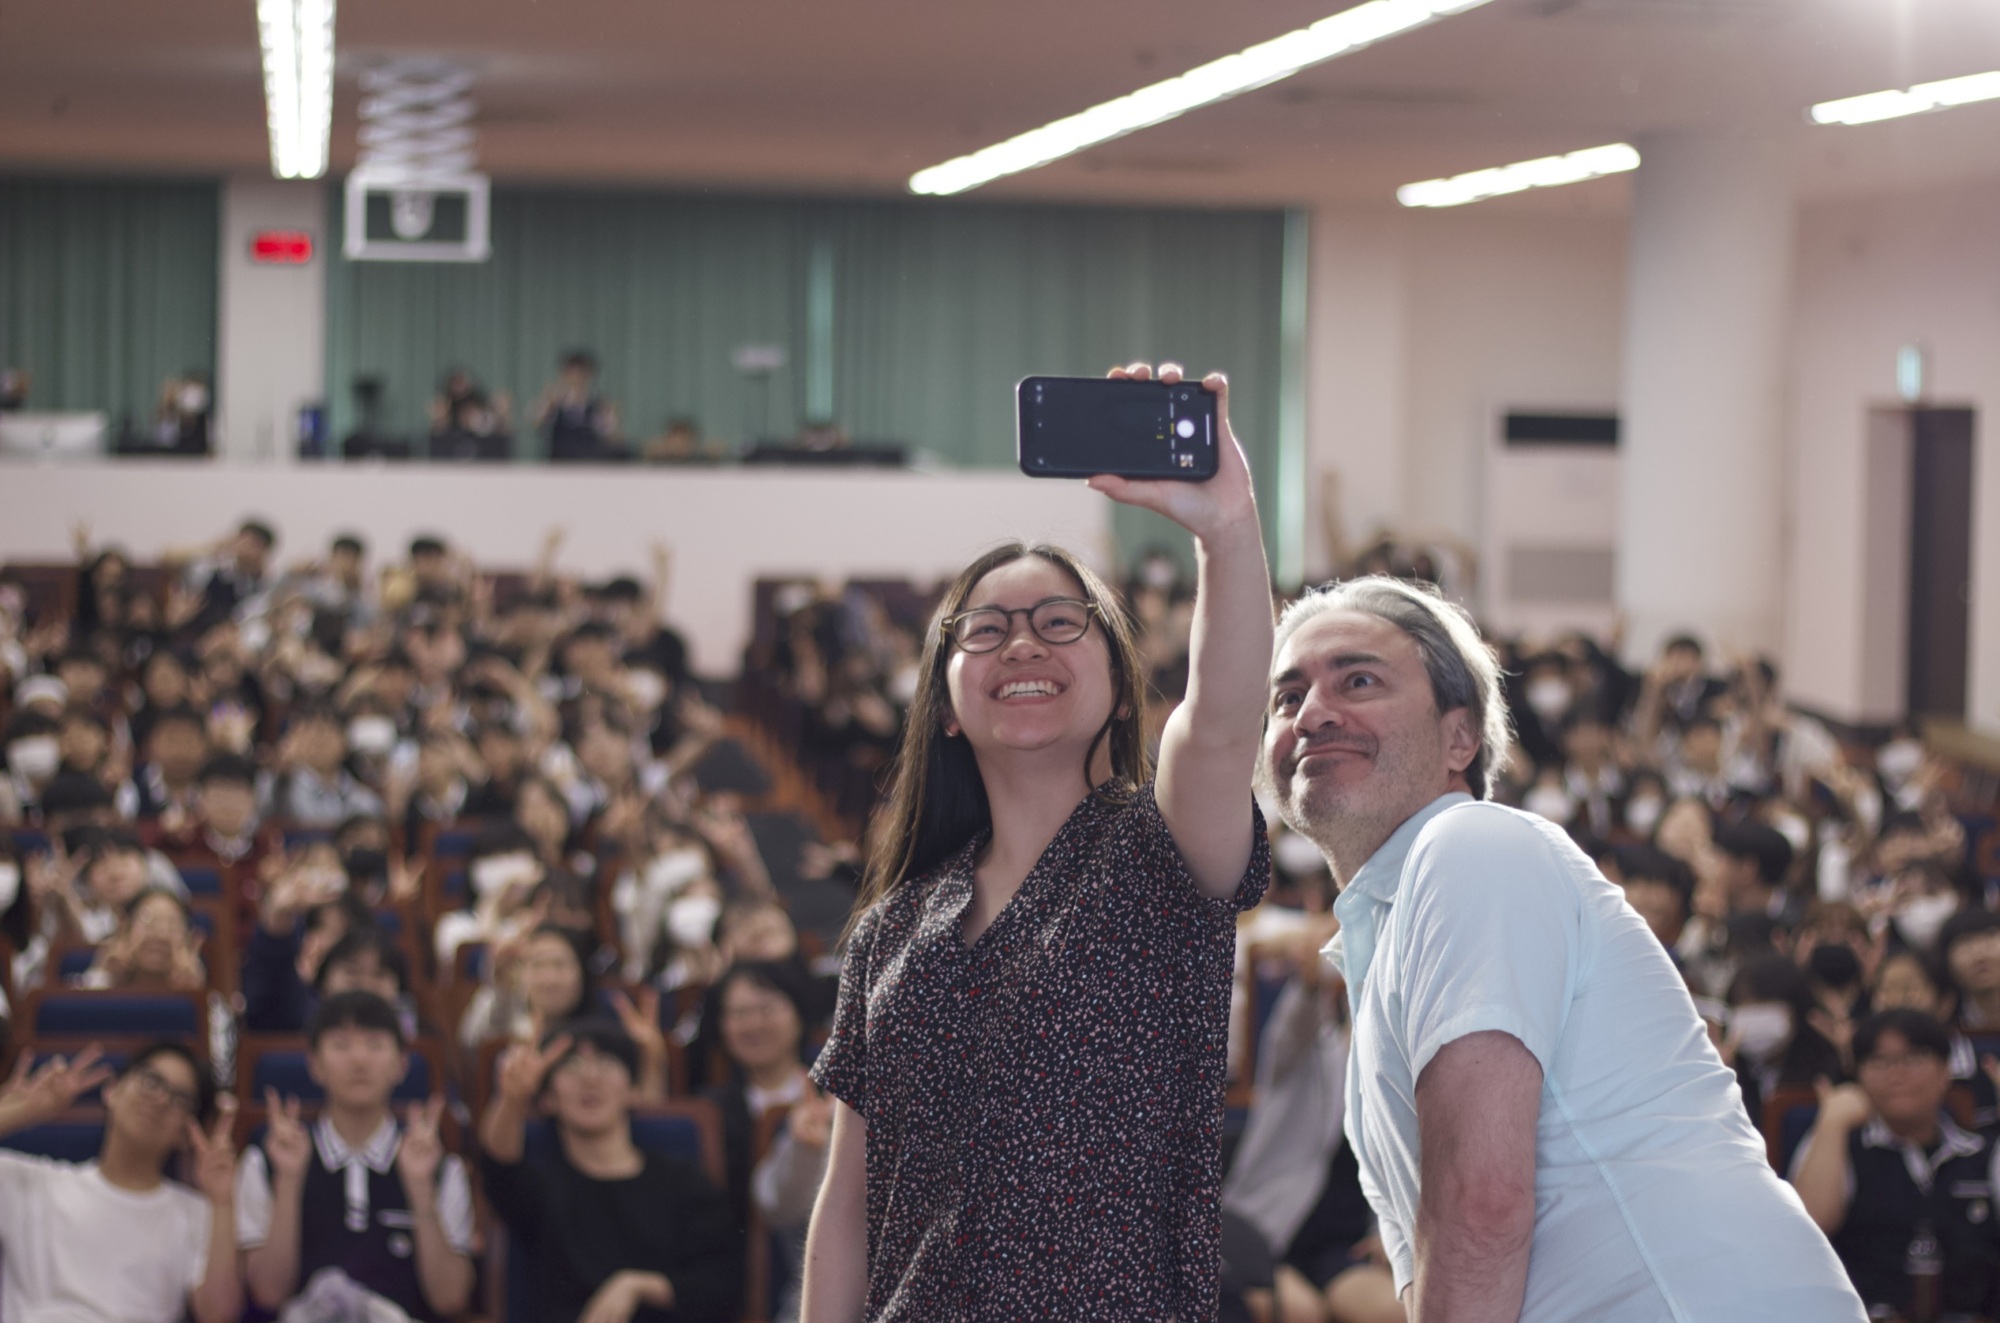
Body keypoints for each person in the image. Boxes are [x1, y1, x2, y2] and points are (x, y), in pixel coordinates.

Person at [1258, 574, 1865, 1321]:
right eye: (1287, 697)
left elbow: (1481, 1203)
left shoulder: (1470, 842)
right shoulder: (1385, 928)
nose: (1314, 713)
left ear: (1461, 735)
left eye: (1358, 679)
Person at [802, 363, 1273, 1321]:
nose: (1023, 645)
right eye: (986, 630)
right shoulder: (894, 927)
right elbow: (845, 1204)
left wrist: (1227, 529)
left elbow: (1223, 725)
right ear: (942, 702)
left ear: (1116, 672)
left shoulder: (1160, 853)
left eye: (1061, 623)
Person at [479, 1020, 742, 1323]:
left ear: (633, 1090)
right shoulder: (540, 1187)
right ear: (548, 1098)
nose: (590, 1078)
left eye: (606, 1064)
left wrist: (636, 1286)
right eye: (573, 1067)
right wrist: (512, 1099)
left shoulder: (682, 1180)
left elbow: (722, 1283)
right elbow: (498, 1166)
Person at [236, 991, 475, 1320]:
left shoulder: (440, 1166)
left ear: (401, 1065)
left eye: (376, 1045)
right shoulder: (266, 1161)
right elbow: (268, 1292)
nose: (359, 1060)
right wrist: (289, 1179)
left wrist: (419, 1188)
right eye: (341, 1045)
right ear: (316, 1066)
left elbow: (450, 1298)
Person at [0, 1043, 243, 1323]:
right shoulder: (34, 1183)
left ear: (186, 1133)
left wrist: (223, 1200)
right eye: (151, 1081)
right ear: (112, 1091)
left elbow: (220, 1314)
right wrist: (23, 1110)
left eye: (180, 1098)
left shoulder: (196, 1213)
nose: (160, 1099)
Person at [1791, 1010, 2000, 1318]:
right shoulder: (1837, 1142)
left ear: (1945, 1072)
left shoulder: (1983, 1152)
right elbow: (1807, 1232)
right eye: (1879, 1061)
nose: (1897, 1073)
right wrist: (1832, 1122)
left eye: (1914, 1058)